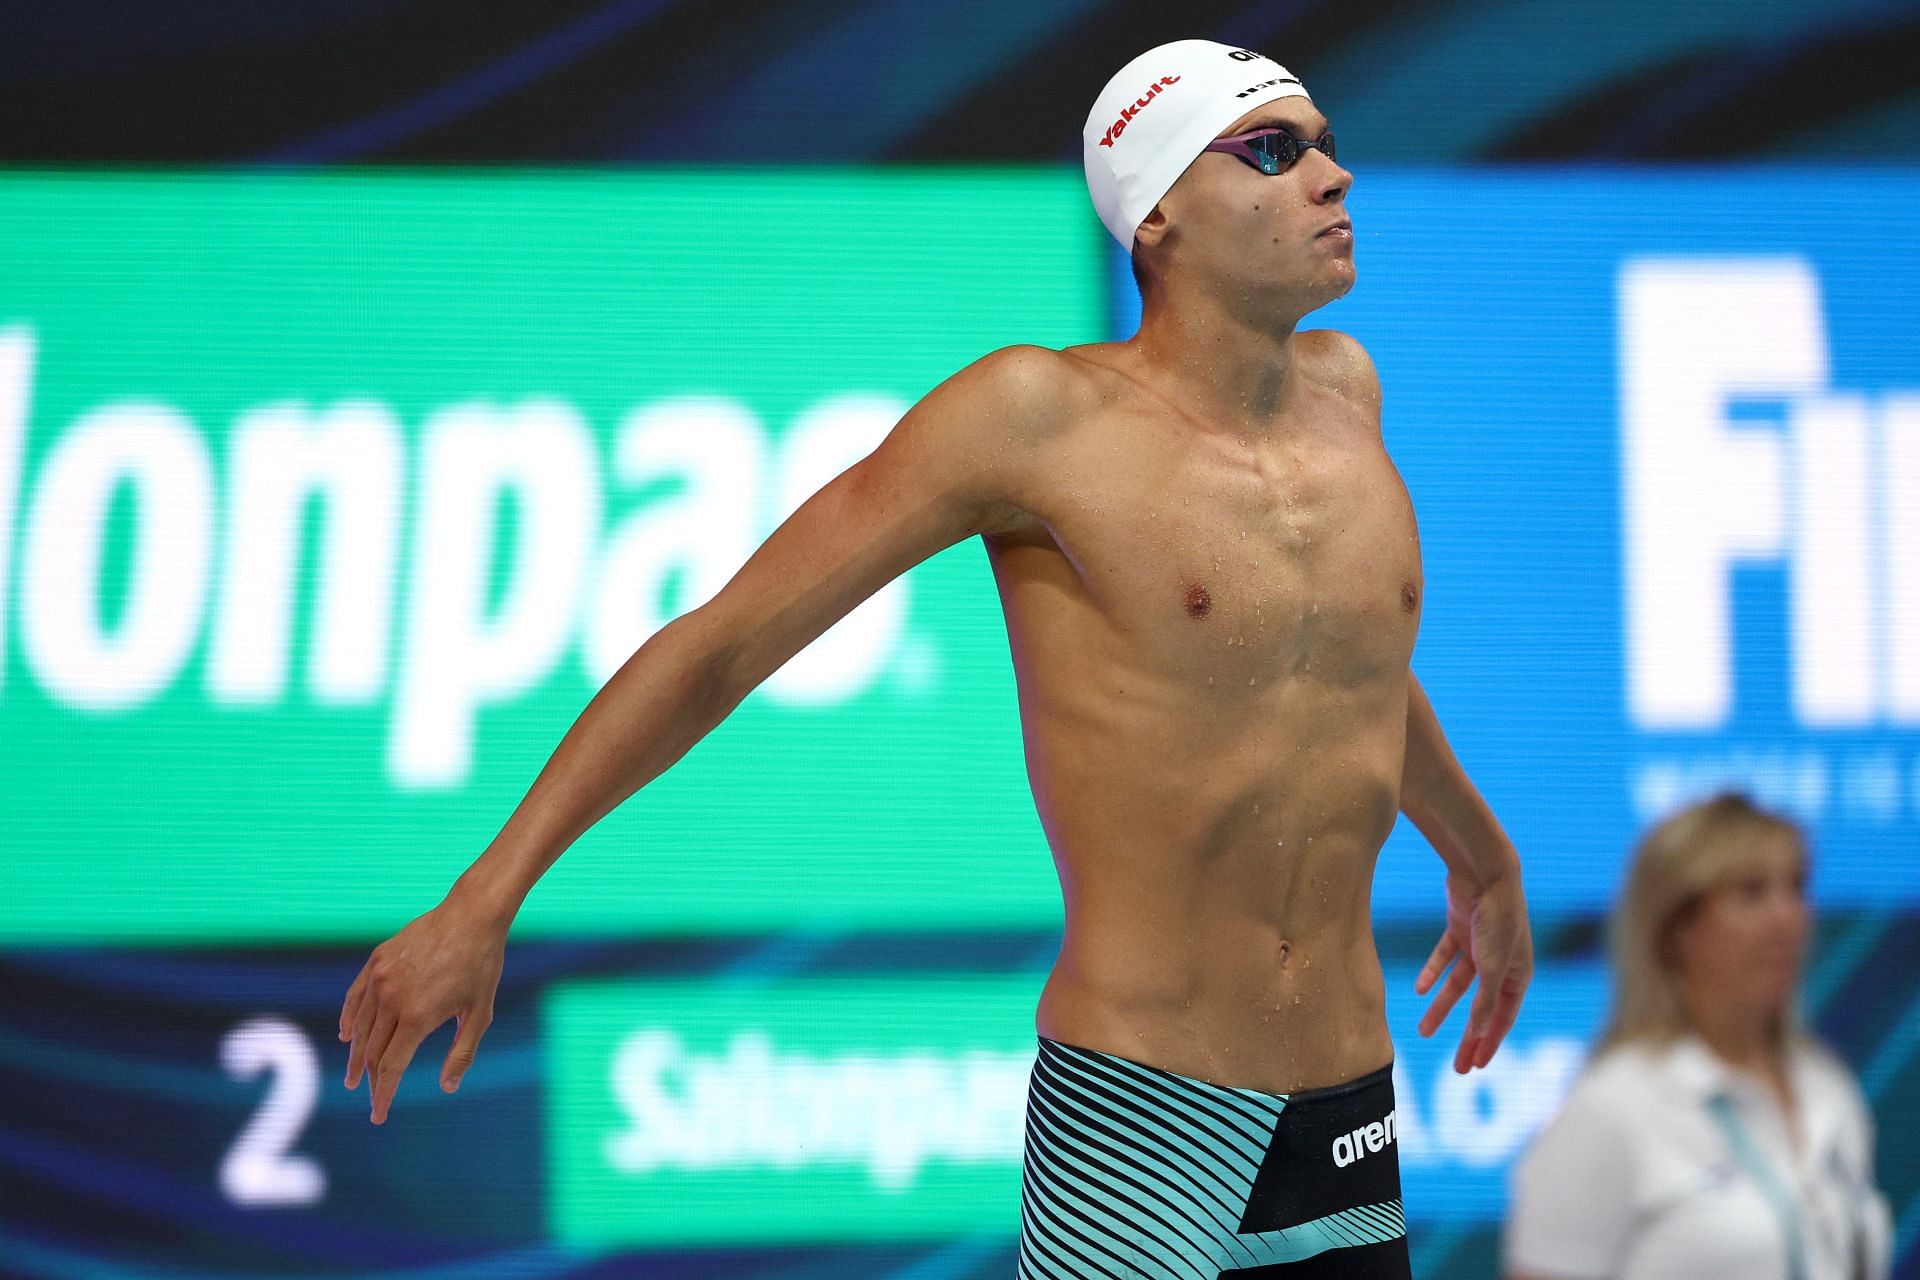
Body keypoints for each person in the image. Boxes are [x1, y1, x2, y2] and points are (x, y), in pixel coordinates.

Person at [339, 37, 1534, 1277]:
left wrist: (1481, 852)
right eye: (1276, 152)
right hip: (1148, 1124)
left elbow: (1340, 672)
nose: (1332, 177)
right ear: (1161, 210)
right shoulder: (1036, 419)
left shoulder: (1351, 395)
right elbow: (721, 645)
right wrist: (484, 900)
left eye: (1330, 145)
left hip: (1347, 1108)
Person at [1504, 791, 1893, 1280]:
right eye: (1752, 893)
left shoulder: (1827, 1088)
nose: (1788, 919)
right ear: (1675, 929)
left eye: (1796, 888)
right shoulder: (1614, 1108)